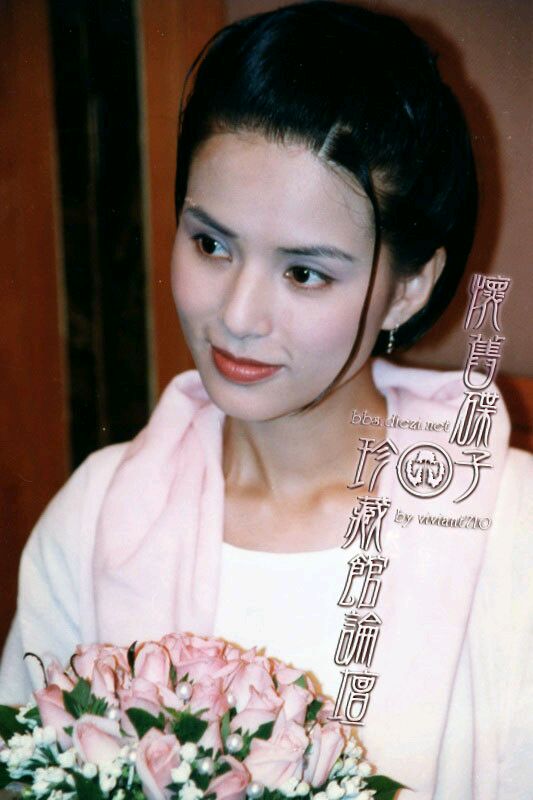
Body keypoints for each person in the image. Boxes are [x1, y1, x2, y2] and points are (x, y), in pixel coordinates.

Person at [0, 2, 531, 798]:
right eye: (210, 243)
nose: (238, 315)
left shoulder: (512, 531)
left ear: (408, 287)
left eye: (303, 272)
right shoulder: (97, 514)